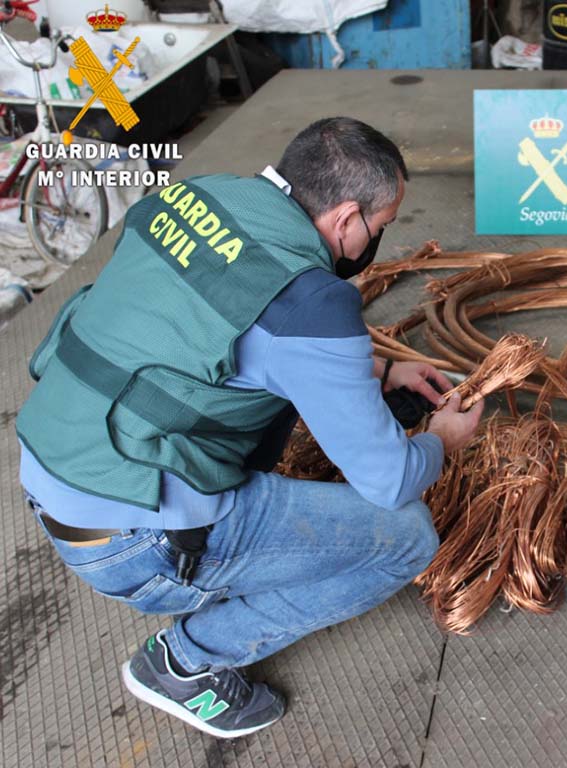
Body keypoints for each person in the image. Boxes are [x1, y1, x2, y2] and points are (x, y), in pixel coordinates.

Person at [15, 117, 483, 739]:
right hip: (134, 541)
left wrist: (384, 368)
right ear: (346, 219)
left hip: (55, 470)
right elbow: (388, 479)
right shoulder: (311, 305)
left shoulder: (195, 196)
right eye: (382, 225)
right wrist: (444, 441)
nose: (379, 239)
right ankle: (186, 662)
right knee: (406, 536)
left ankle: (214, 578)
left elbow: (206, 325)